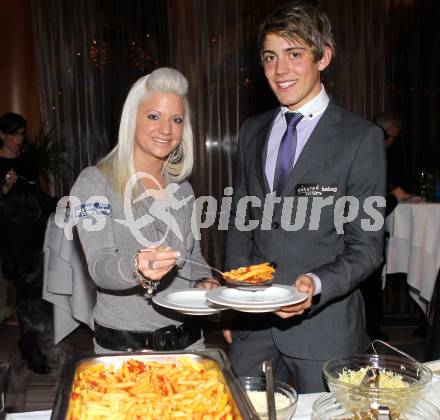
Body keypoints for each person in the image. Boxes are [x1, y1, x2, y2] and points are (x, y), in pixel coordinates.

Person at [223, 1, 386, 393]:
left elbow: (366, 248)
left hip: (325, 331)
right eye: (270, 57)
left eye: (294, 54)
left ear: (323, 56)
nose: (280, 71)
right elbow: (240, 224)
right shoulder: (252, 130)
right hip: (254, 327)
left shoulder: (361, 138)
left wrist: (313, 284)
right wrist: (233, 301)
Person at [69, 67, 218, 354]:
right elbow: (100, 267)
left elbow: (193, 256)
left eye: (176, 120)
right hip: (126, 351)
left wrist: (204, 280)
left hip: (190, 344)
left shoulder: (182, 188)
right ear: (131, 120)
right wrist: (137, 267)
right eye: (153, 116)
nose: (166, 129)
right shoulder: (94, 182)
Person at [0, 112, 56, 374]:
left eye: (22, 134)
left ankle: (29, 342)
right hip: (10, 240)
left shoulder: (27, 164)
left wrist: (61, 203)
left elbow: (40, 198)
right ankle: (31, 347)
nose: (19, 139)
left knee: (31, 294)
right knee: (26, 295)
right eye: (14, 134)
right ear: (2, 135)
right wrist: (5, 189)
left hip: (34, 237)